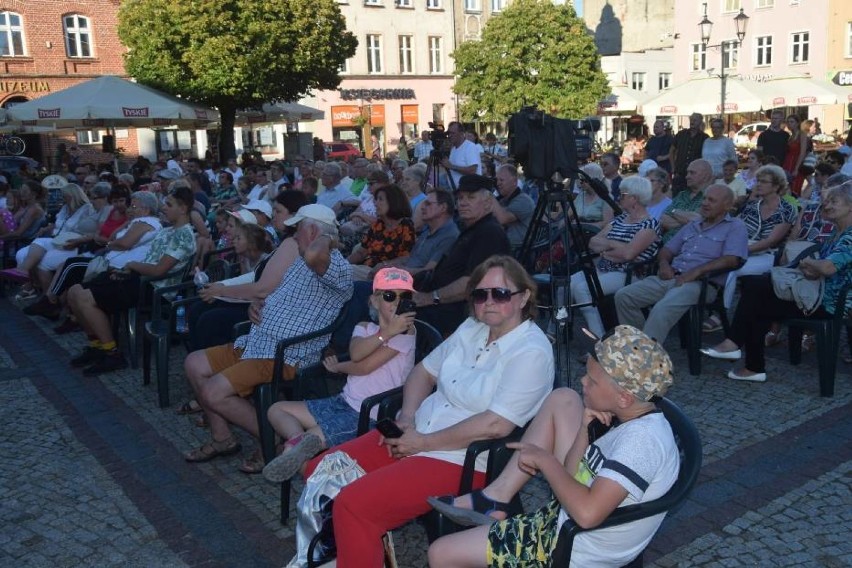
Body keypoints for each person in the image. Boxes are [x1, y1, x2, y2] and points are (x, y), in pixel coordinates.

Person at [300, 255, 554, 568]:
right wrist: (407, 417)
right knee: (319, 472)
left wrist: (420, 443)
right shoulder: (472, 328)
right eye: (480, 294)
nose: (488, 302)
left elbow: (495, 425)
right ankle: (353, 551)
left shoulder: (531, 351)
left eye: (500, 294)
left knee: (354, 506)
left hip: (461, 458)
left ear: (524, 296)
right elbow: (423, 372)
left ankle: (357, 545)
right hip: (418, 432)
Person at [427, 326, 677, 568]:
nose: (583, 381)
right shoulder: (626, 417)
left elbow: (587, 515)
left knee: (441, 554)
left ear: (624, 397)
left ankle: (495, 507)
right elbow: (571, 475)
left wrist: (545, 460)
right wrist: (583, 430)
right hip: (560, 522)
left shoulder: (641, 442)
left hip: (570, 547)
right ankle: (496, 501)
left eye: (592, 380)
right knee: (563, 398)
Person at [182, 204, 352, 468]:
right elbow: (272, 293)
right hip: (259, 342)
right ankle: (222, 438)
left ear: (315, 231)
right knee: (194, 363)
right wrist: (257, 306)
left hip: (287, 354)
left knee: (213, 392)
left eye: (298, 229)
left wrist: (320, 237)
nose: (293, 234)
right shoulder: (299, 260)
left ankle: (270, 438)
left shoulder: (337, 269)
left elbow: (316, 254)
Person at [262, 267, 417, 483]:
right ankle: (299, 449)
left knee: (305, 440)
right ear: (374, 301)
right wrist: (385, 332)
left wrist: (338, 368)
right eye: (390, 296)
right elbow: (356, 353)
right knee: (277, 409)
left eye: (405, 297)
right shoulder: (364, 327)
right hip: (344, 401)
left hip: (369, 413)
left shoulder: (407, 333)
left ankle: (305, 466)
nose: (397, 302)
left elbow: (364, 367)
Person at [702, 181, 852, 382]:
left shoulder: (850, 236)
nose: (827, 205)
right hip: (816, 294)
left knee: (757, 294)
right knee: (756, 290)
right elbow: (827, 270)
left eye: (835, 201)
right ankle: (745, 358)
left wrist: (809, 262)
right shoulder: (836, 233)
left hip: (830, 304)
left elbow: (828, 267)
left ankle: (742, 353)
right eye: (828, 201)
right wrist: (811, 269)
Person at [65, 185, 197, 375]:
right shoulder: (168, 231)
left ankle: (112, 353)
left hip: (153, 289)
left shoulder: (183, 235)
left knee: (85, 298)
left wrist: (132, 265)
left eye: (169, 204)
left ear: (183, 208)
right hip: (139, 279)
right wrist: (128, 269)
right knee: (74, 292)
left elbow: (159, 270)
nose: (164, 208)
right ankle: (97, 345)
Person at [615, 184, 748, 343]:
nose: (705, 203)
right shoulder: (693, 224)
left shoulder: (735, 226)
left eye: (711, 200)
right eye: (704, 198)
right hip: (672, 277)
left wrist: (697, 272)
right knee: (624, 296)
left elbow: (732, 259)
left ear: (726, 205)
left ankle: (643, 360)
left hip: (701, 284)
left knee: (661, 309)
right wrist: (664, 264)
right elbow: (667, 249)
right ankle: (636, 344)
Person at [412, 175, 511, 335]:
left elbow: (473, 283)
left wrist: (431, 297)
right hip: (441, 304)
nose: (463, 202)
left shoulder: (489, 233)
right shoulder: (472, 229)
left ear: (487, 203)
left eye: (471, 197)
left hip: (460, 315)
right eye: (460, 198)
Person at [572, 177, 661, 337]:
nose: (618, 197)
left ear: (634, 198)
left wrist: (607, 248)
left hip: (628, 273)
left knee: (583, 289)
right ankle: (557, 330)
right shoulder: (620, 219)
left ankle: (598, 339)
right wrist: (615, 246)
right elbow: (593, 242)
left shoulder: (649, 225)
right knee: (566, 284)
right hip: (605, 267)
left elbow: (628, 254)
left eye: (623, 194)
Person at [347, 184, 416, 280]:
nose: (375, 203)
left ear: (393, 202)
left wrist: (385, 265)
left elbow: (407, 257)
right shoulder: (378, 225)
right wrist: (344, 264)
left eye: (380, 199)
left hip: (387, 274)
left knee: (344, 274)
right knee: (342, 271)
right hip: (366, 269)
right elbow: (361, 253)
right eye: (376, 199)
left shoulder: (406, 225)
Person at [659, 159, 714, 243]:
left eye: (692, 173)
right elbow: (662, 218)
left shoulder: (712, 197)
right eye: (687, 173)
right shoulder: (682, 195)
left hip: (690, 248)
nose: (687, 176)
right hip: (664, 245)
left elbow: (699, 221)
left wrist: (673, 212)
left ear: (705, 176)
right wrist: (686, 220)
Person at [490, 164, 535, 252]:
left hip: (518, 251)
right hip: (503, 247)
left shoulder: (524, 201)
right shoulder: (503, 200)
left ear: (514, 181)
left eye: (501, 180)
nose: (498, 183)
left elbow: (502, 219)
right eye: (497, 180)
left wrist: (489, 196)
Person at [671, 113, 709, 194]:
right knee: (675, 197)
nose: (692, 122)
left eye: (695, 120)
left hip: (695, 175)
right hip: (679, 173)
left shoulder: (704, 138)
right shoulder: (681, 134)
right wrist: (673, 168)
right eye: (691, 119)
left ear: (700, 122)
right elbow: (671, 151)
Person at [442, 121, 482, 189]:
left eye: (453, 133)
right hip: (458, 192)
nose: (450, 136)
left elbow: (472, 170)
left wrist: (451, 166)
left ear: (461, 133)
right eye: (449, 133)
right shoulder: (453, 149)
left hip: (470, 192)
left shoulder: (470, 147)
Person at [783, 115, 809, 197]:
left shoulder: (802, 134)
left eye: (792, 122)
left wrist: (796, 168)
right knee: (786, 187)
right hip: (788, 162)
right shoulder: (790, 136)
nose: (789, 124)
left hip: (797, 162)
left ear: (797, 123)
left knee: (795, 188)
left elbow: (802, 152)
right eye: (788, 122)